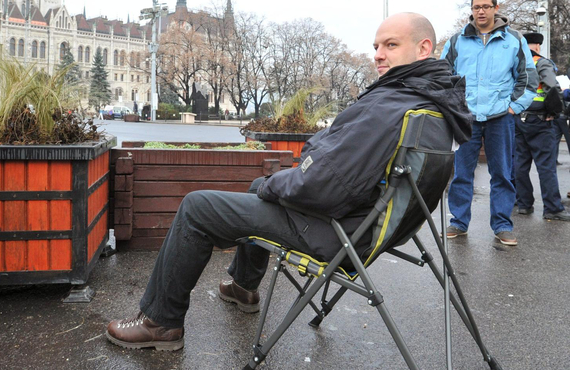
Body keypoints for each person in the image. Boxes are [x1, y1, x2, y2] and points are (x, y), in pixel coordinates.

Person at [105, 13, 473, 351]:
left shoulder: (393, 105)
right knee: (257, 189)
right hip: (370, 230)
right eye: (376, 46)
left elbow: (323, 185)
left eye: (391, 45)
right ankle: (243, 288)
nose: (378, 54)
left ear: (424, 47)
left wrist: (276, 182)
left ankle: (160, 323)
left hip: (338, 235)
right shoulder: (431, 103)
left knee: (199, 206)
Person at [440, 0, 538, 246]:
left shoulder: (514, 39)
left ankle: (503, 225)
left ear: (496, 8)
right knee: (461, 173)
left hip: (501, 118)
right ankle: (459, 223)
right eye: (476, 7)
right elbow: (442, 76)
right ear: (471, 10)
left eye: (485, 6)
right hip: (466, 118)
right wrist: (454, 108)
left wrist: (513, 107)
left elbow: (528, 77)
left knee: (502, 174)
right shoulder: (457, 40)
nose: (480, 11)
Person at [513, 33, 570, 221]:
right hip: (540, 119)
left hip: (518, 118)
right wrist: (554, 111)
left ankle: (524, 204)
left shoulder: (515, 62)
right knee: (546, 165)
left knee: (520, 163)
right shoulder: (541, 62)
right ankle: (553, 208)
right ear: (537, 45)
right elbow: (552, 87)